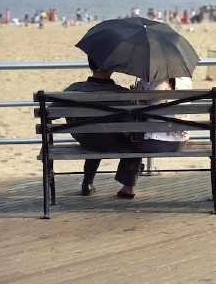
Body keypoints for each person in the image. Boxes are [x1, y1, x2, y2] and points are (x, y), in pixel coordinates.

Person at [63, 57, 143, 199]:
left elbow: (50, 114)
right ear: (112, 68)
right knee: (134, 142)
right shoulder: (122, 94)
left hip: (85, 138)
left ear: (90, 65)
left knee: (95, 134)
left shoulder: (74, 89)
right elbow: (127, 131)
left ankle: (87, 182)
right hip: (112, 141)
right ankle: (128, 186)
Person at [131, 77, 192, 153]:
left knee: (128, 142)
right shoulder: (186, 80)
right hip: (180, 143)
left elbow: (137, 104)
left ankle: (132, 165)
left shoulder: (149, 80)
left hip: (154, 142)